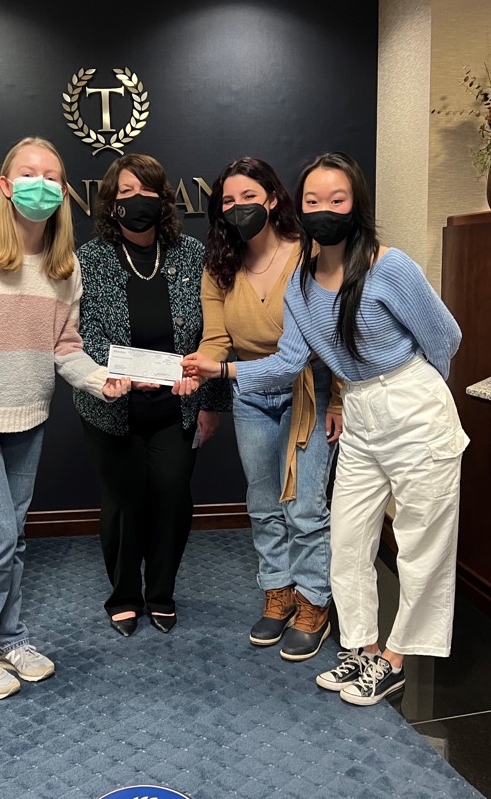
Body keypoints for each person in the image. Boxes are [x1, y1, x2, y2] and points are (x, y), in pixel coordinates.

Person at [184, 152, 468, 705]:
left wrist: (419, 394)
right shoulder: (303, 285)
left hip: (413, 405)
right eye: (312, 201)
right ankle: (359, 650)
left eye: (336, 200)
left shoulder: (391, 266)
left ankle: (394, 659)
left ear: (356, 204)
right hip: (361, 412)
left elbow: (446, 338)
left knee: (419, 546)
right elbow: (288, 362)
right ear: (299, 204)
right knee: (347, 538)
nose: (323, 211)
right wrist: (222, 369)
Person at [0, 136, 130, 700]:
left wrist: (99, 380)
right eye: (28, 173)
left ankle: (9, 639)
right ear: (5, 186)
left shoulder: (64, 268)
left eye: (52, 176)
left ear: (63, 192)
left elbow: (65, 347)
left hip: (25, 419)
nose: (40, 184)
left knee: (13, 541)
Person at [74, 153, 230, 637]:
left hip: (177, 404)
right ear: (110, 201)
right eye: (125, 192)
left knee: (170, 497)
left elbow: (215, 332)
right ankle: (123, 595)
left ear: (163, 200)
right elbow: (83, 331)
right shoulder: (90, 258)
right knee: (122, 500)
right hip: (112, 403)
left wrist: (209, 402)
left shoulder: (191, 254)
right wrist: (119, 372)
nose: (137, 201)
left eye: (147, 192)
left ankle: (160, 592)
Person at [197, 156, 342, 662]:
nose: (238, 208)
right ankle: (277, 592)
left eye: (248, 198)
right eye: (228, 202)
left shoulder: (311, 255)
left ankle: (313, 602)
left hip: (308, 391)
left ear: (273, 199)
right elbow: (216, 341)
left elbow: (337, 333)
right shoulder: (219, 267)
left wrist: (339, 398)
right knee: (262, 503)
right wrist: (195, 368)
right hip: (251, 394)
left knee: (304, 505)